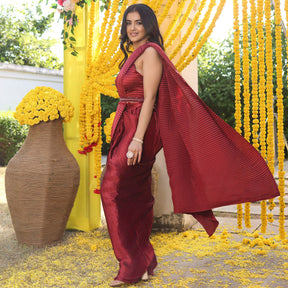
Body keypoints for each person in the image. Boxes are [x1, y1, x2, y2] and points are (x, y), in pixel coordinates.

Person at [100, 4, 279, 287]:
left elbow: (149, 100)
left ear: (149, 26)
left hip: (139, 129)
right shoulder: (132, 54)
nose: (132, 28)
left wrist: (136, 139)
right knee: (133, 194)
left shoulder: (150, 54)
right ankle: (142, 261)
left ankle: (131, 264)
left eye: (138, 23)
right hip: (127, 124)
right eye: (128, 23)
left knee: (112, 189)